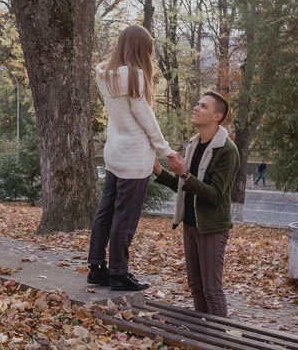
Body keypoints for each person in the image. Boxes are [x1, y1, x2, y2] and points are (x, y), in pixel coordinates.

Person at [87, 25, 177, 292]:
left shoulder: (106, 75)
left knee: (105, 211)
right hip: (135, 155)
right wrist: (166, 150)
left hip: (115, 151)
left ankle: (96, 268)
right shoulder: (135, 76)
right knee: (125, 217)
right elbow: (146, 119)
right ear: (141, 49)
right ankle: (119, 273)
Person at [152, 91, 239, 317]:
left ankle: (218, 339)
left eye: (203, 106)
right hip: (190, 224)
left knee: (212, 289)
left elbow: (214, 195)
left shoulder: (226, 150)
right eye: (197, 104)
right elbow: (185, 185)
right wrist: (159, 171)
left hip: (211, 228)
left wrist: (185, 174)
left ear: (217, 116)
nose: (196, 108)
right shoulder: (194, 144)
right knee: (196, 287)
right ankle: (202, 336)